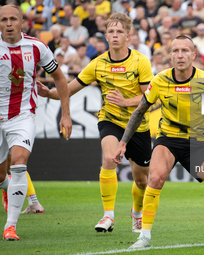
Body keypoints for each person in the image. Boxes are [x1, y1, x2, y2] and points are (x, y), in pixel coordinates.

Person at [112, 35, 204, 249]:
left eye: (185, 51)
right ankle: (144, 236)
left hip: (199, 142)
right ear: (170, 55)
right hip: (168, 140)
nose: (180, 55)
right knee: (154, 179)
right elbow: (139, 112)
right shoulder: (159, 80)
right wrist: (123, 142)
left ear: (193, 55)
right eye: (175, 51)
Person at [38, 13, 153, 234]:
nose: (115, 35)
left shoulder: (140, 61)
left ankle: (136, 212)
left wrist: (126, 101)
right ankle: (108, 215)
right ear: (106, 36)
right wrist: (49, 94)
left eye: (120, 31)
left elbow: (150, 97)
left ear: (128, 35)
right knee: (109, 158)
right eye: (111, 31)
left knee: (141, 181)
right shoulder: (98, 63)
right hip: (109, 119)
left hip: (138, 125)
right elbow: (68, 89)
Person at [0, 5, 72, 241]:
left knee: (20, 162)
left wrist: (65, 114)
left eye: (13, 19)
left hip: (22, 115)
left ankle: (10, 226)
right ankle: (6, 186)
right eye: (3, 20)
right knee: (1, 176)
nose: (8, 23)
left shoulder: (37, 47)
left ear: (23, 22)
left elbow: (59, 78)